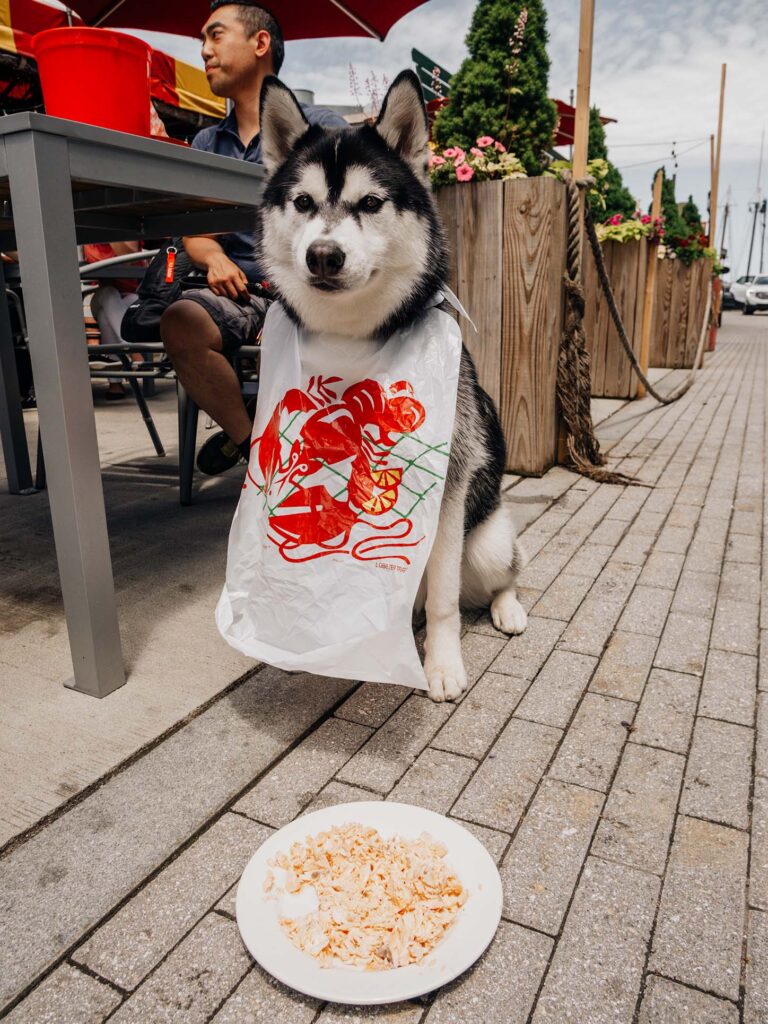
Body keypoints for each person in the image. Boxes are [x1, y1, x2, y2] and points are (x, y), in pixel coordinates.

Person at [160, 1, 347, 475]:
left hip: (309, 286)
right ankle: (256, 450)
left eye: (215, 35)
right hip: (240, 290)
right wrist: (214, 258)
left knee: (286, 333)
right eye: (203, 40)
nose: (204, 50)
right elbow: (195, 234)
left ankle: (297, 452)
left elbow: (344, 220)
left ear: (260, 43)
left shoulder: (321, 127)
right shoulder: (206, 143)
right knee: (180, 321)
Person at [84, 241, 143, 399]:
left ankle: (115, 383)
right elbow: (103, 277)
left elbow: (128, 258)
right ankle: (133, 348)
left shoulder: (126, 234)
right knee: (109, 293)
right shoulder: (89, 243)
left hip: (132, 296)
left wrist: (113, 237)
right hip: (102, 295)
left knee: (106, 315)